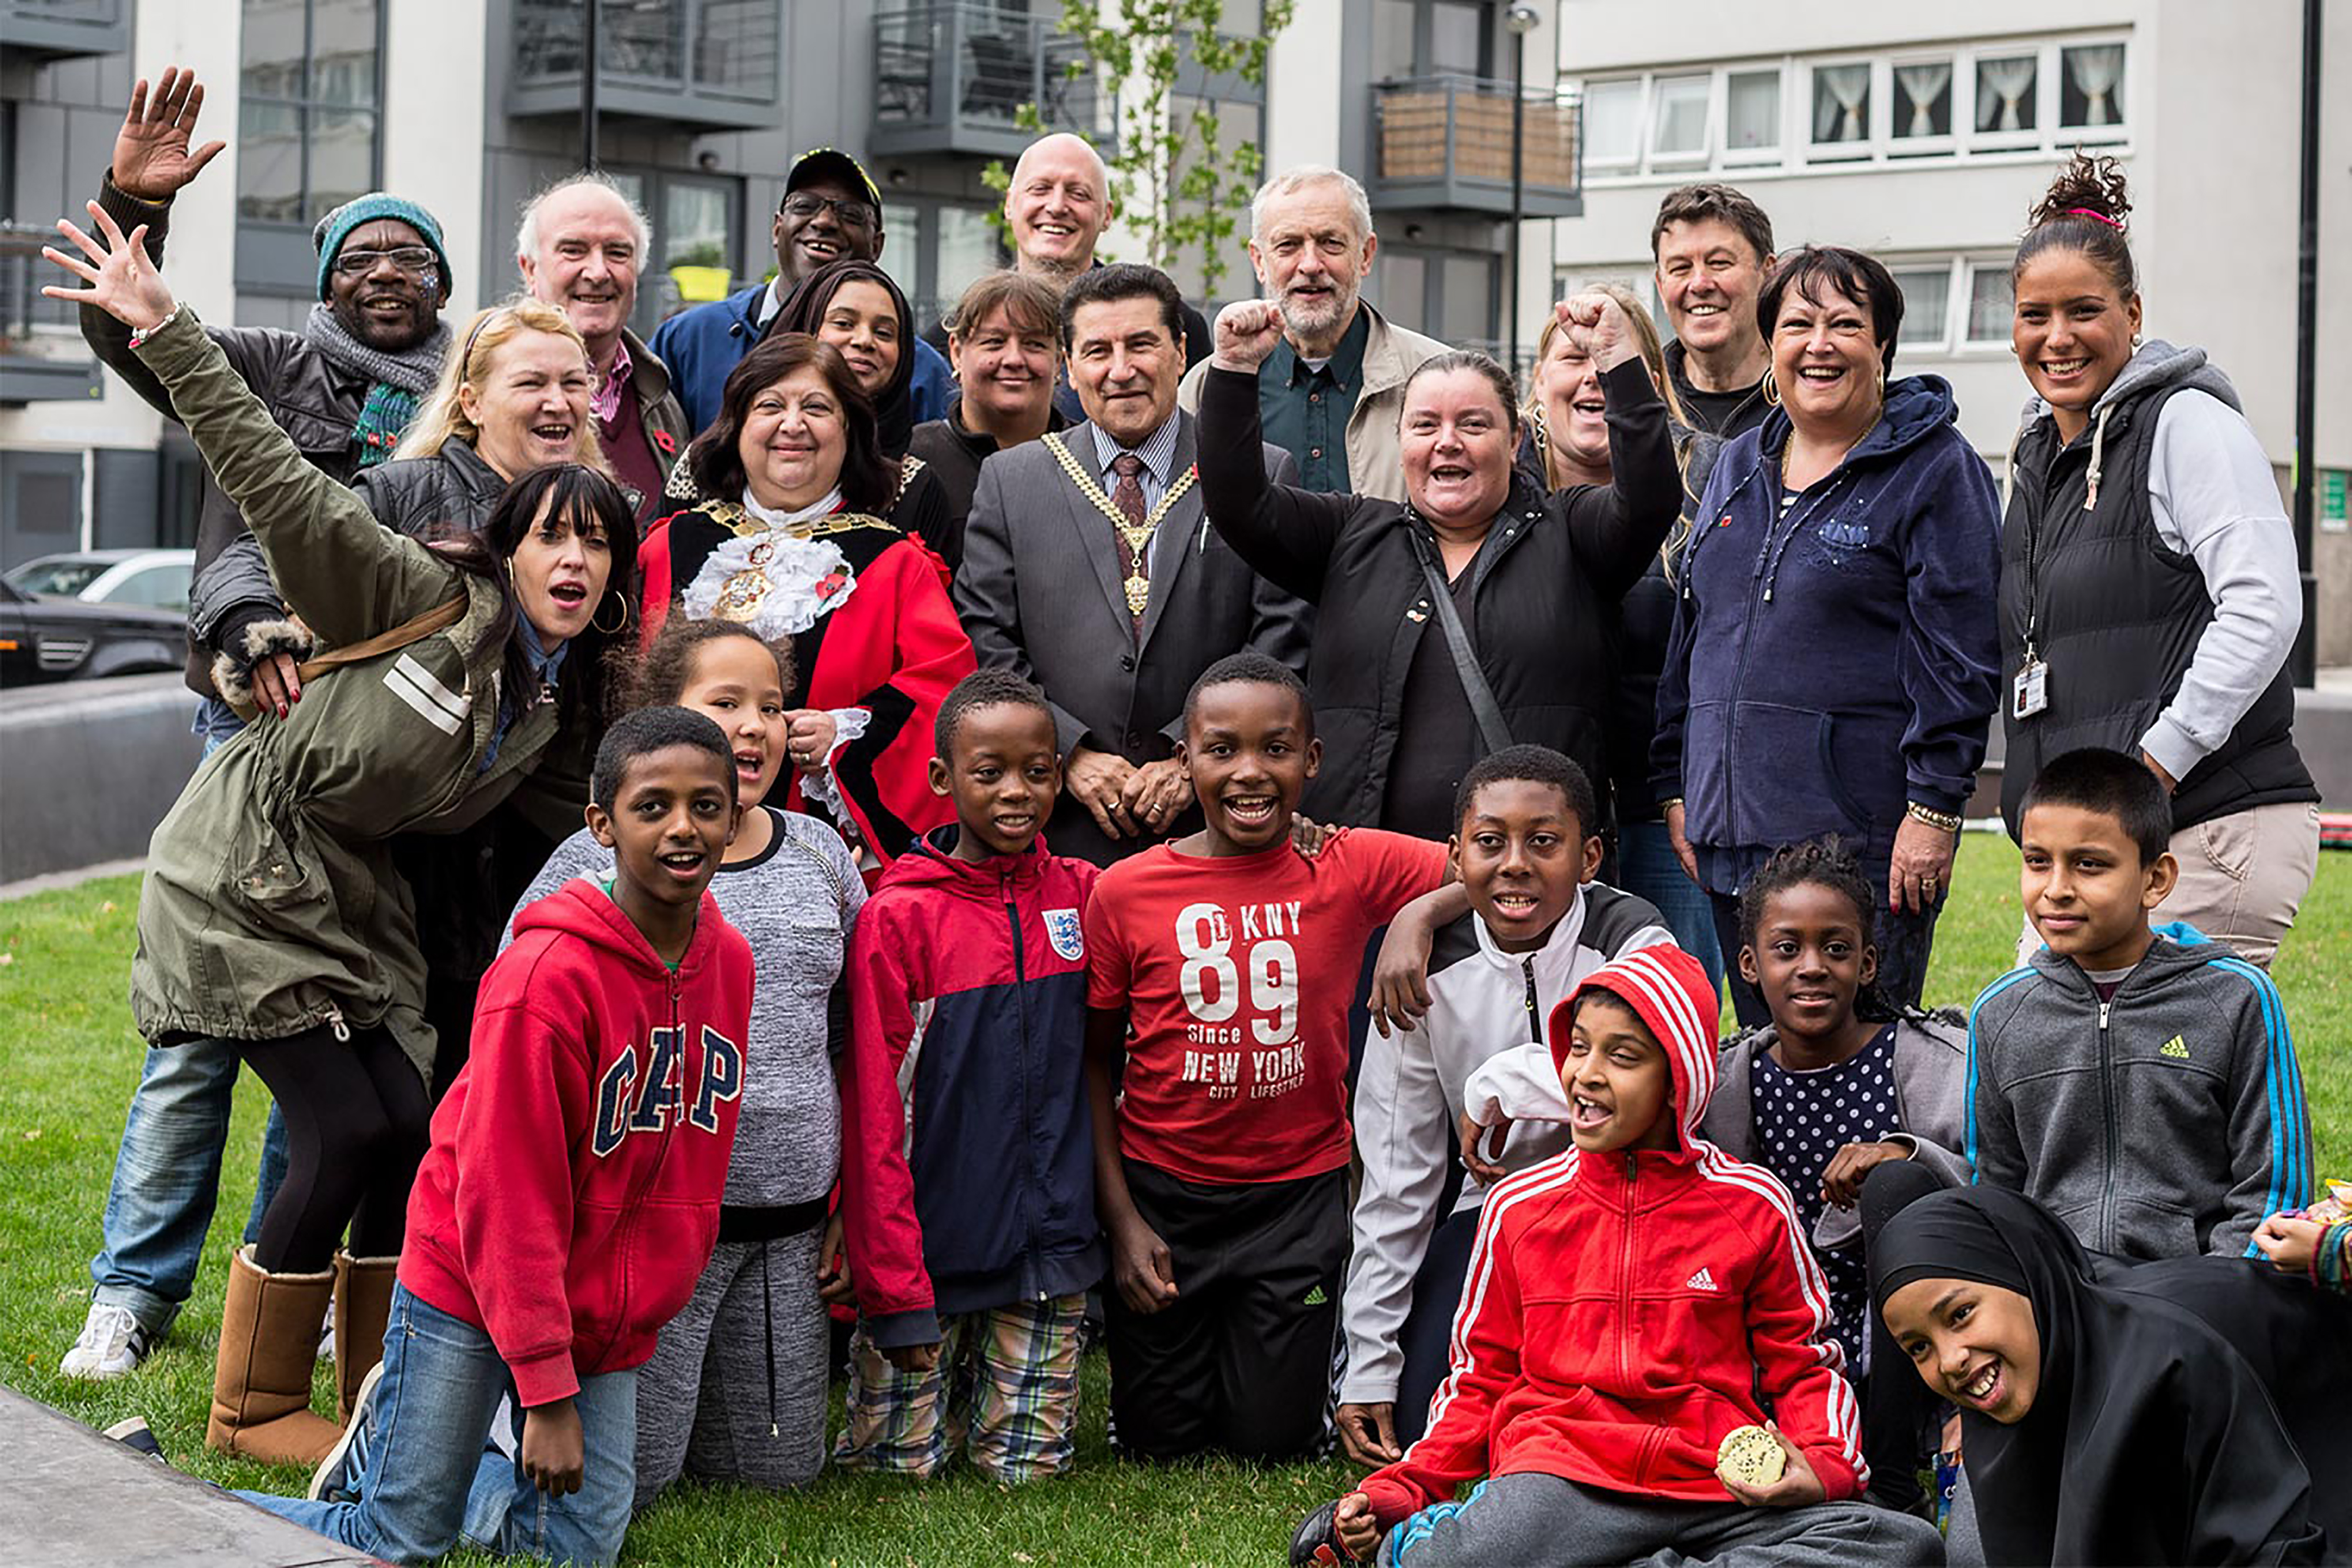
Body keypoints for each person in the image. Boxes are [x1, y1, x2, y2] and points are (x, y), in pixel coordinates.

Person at [46, 199, 641, 1462]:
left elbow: (602, 815)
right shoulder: (416, 578)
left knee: (411, 1123)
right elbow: (267, 484)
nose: (575, 558)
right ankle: (248, 1402)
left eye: (597, 540)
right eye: (553, 536)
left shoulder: (544, 704)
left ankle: (378, 1389)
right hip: (244, 872)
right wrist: (164, 329)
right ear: (504, 527)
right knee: (349, 1124)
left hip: (347, 896)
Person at [60, 67, 450, 1382]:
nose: (389, 269)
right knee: (197, 1040)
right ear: (328, 281)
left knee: (324, 1027)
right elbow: (135, 338)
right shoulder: (276, 368)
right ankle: (131, 1291)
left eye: (413, 254)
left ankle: (310, 1286)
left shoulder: (454, 410)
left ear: (442, 288)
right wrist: (136, 203)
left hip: (367, 762)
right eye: (364, 253)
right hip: (245, 735)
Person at [255, 708, 754, 1568]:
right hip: (473, 1276)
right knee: (398, 1542)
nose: (684, 827)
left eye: (707, 805)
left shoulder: (730, 962)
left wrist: (627, 1312)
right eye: (653, 806)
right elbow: (507, 1195)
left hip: (601, 1300)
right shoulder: (544, 979)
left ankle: (417, 1449)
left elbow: (692, 1156)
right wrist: (548, 1393)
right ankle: (162, 1495)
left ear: (735, 814)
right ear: (602, 823)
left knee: (577, 1549)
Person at [1292, 947, 1940, 1568]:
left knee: (1903, 1546)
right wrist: (1406, 1490)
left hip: (1715, 1484)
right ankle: (1429, 1544)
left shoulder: (1752, 1204)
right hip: (1564, 1481)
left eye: (1621, 1057)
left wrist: (1823, 1464)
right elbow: (1479, 1378)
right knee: (1475, 1554)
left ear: (1675, 1082)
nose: (1586, 1074)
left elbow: (1802, 1363)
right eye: (1577, 1048)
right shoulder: (1519, 1206)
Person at [503, 618, 863, 1505]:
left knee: (779, 1472)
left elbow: (859, 1041)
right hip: (652, 1236)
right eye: (725, 703)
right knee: (641, 1477)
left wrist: (853, 1200)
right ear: (666, 718)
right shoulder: (595, 860)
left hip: (789, 1224)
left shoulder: (822, 853)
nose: (753, 728)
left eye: (773, 707)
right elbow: (530, 1031)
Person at [1084, 654, 1452, 1461]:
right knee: (1158, 1446)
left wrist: (1417, 915)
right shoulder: (1125, 891)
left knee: (1272, 1443)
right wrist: (1122, 1221)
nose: (1250, 771)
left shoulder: (1347, 862)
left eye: (1276, 748)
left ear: (1312, 760)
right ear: (1184, 761)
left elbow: (1489, 862)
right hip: (1164, 1195)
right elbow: (1096, 1064)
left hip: (1294, 1198)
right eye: (1222, 749)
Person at [1654, 246, 2001, 1025]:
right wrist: (1678, 783)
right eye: (1798, 323)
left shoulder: (1936, 469)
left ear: (1882, 345)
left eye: (1846, 324)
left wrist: (1937, 806)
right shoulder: (1739, 462)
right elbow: (1694, 628)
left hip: (1859, 848)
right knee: (1763, 1065)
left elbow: (1963, 654)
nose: (1820, 343)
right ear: (1771, 343)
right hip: (1729, 840)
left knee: (1857, 1061)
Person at [1197, 292, 1681, 840]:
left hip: (1525, 882)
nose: (1447, 442)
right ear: (1400, 440)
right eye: (1425, 425)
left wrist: (1619, 362)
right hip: (1370, 885)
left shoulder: (1572, 533)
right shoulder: (1350, 535)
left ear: (1515, 438)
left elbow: (1650, 501)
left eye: (1473, 425)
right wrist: (1235, 372)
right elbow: (1239, 503)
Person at [1998, 153, 2320, 970]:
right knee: (2068, 1080)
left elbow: (2265, 605)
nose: (2058, 337)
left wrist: (2157, 761)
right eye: (2036, 314)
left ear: (2133, 313)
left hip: (2200, 829)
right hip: (2098, 841)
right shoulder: (2041, 452)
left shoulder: (2185, 424)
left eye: (2085, 310)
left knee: (2160, 1093)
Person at [1337, 745, 1669, 1466]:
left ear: (1590, 857)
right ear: (1456, 856)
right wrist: (1368, 1364)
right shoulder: (1421, 969)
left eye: (1543, 842)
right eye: (1490, 842)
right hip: (1492, 1219)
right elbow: (1396, 1176)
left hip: (1629, 1214)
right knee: (1426, 1421)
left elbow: (1651, 1070)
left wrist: (1498, 1087)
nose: (1515, 862)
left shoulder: (1634, 938)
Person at [835, 670, 1104, 1482]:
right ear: (942, 780)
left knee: (1025, 1475)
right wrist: (891, 1286)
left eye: (1039, 769)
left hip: (1049, 1248)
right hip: (928, 1249)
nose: (1017, 791)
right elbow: (875, 1112)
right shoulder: (898, 916)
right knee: (896, 1473)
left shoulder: (1083, 894)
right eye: (989, 772)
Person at [956, 263, 1311, 868]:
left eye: (1141, 344)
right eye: (1097, 351)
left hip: (1211, 821)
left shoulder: (1255, 470)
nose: (1120, 371)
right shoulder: (1012, 481)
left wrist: (1191, 757)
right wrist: (1066, 752)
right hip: (1057, 827)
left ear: (1178, 353)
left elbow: (1278, 640)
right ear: (1070, 367)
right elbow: (988, 639)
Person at [637, 332, 973, 872]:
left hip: (822, 852)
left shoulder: (894, 562)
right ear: (738, 426)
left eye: (816, 408)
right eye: (770, 406)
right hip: (667, 843)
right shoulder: (668, 547)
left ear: (848, 432)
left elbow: (944, 697)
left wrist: (847, 731)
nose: (793, 424)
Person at [1700, 838, 1969, 1512]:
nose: (1812, 968)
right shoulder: (1729, 1083)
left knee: (1894, 1186)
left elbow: (1991, 1187)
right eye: (1787, 949)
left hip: (1902, 1331)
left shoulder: (1928, 1061)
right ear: (1750, 966)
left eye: (1837, 949)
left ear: (1867, 962)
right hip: (1781, 1335)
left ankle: (1894, 1477)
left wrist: (1903, 1154)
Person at [1966, 746, 2312, 1263]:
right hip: (2064, 1293)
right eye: (2038, 862)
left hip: (2199, 1293)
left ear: (2156, 879)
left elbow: (2274, 1193)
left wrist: (2217, 1288)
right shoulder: (2000, 1013)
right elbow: (1996, 1188)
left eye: (2089, 865)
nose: (2056, 889)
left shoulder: (2236, 998)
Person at [1873, 1186, 2334, 1566]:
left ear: (2025, 1276)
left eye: (1960, 1314)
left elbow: (2273, 1548)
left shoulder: (2169, 1364)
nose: (1950, 1359)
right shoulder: (2008, 1387)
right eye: (1919, 1347)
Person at [1517, 281, 1724, 997]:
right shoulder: (1498, 493)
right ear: (1537, 381)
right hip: (1538, 819)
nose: (1590, 377)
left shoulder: (1709, 488)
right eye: (1572, 357)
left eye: (1610, 359)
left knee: (1670, 1011)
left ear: (1650, 385)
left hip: (1669, 810)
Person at [1176, 166, 1445, 501]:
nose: (1310, 265)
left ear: (1365, 255)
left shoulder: (1437, 376)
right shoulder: (1207, 388)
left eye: (1330, 243)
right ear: (1259, 261)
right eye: (1288, 245)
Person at [652, 147, 954, 433]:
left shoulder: (920, 370)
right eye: (805, 206)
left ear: (877, 245)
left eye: (850, 215)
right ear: (777, 228)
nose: (824, 221)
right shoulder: (690, 341)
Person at [923, 132, 1212, 416]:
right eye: (1040, 189)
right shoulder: (957, 333)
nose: (1057, 206)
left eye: (1079, 194)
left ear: (1107, 215)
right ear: (1010, 204)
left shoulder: (1172, 324)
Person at [514, 172, 691, 519]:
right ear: (530, 270)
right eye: (573, 250)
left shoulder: (661, 400)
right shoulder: (485, 387)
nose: (597, 272)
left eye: (617, 252)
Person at [759, 259, 956, 565]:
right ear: (804, 328)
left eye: (885, 332)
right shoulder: (714, 462)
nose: (865, 341)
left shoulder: (912, 487)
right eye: (844, 323)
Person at [907, 270, 1071, 570]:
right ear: (956, 352)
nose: (1014, 359)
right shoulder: (914, 461)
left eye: (1034, 344)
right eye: (994, 342)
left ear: (1059, 360)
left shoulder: (1091, 462)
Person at [1651, 183, 1776, 440]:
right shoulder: (1644, 402)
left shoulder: (1807, 397)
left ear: (1768, 274)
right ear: (1661, 287)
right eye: (1680, 268)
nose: (1699, 284)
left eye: (1719, 263)